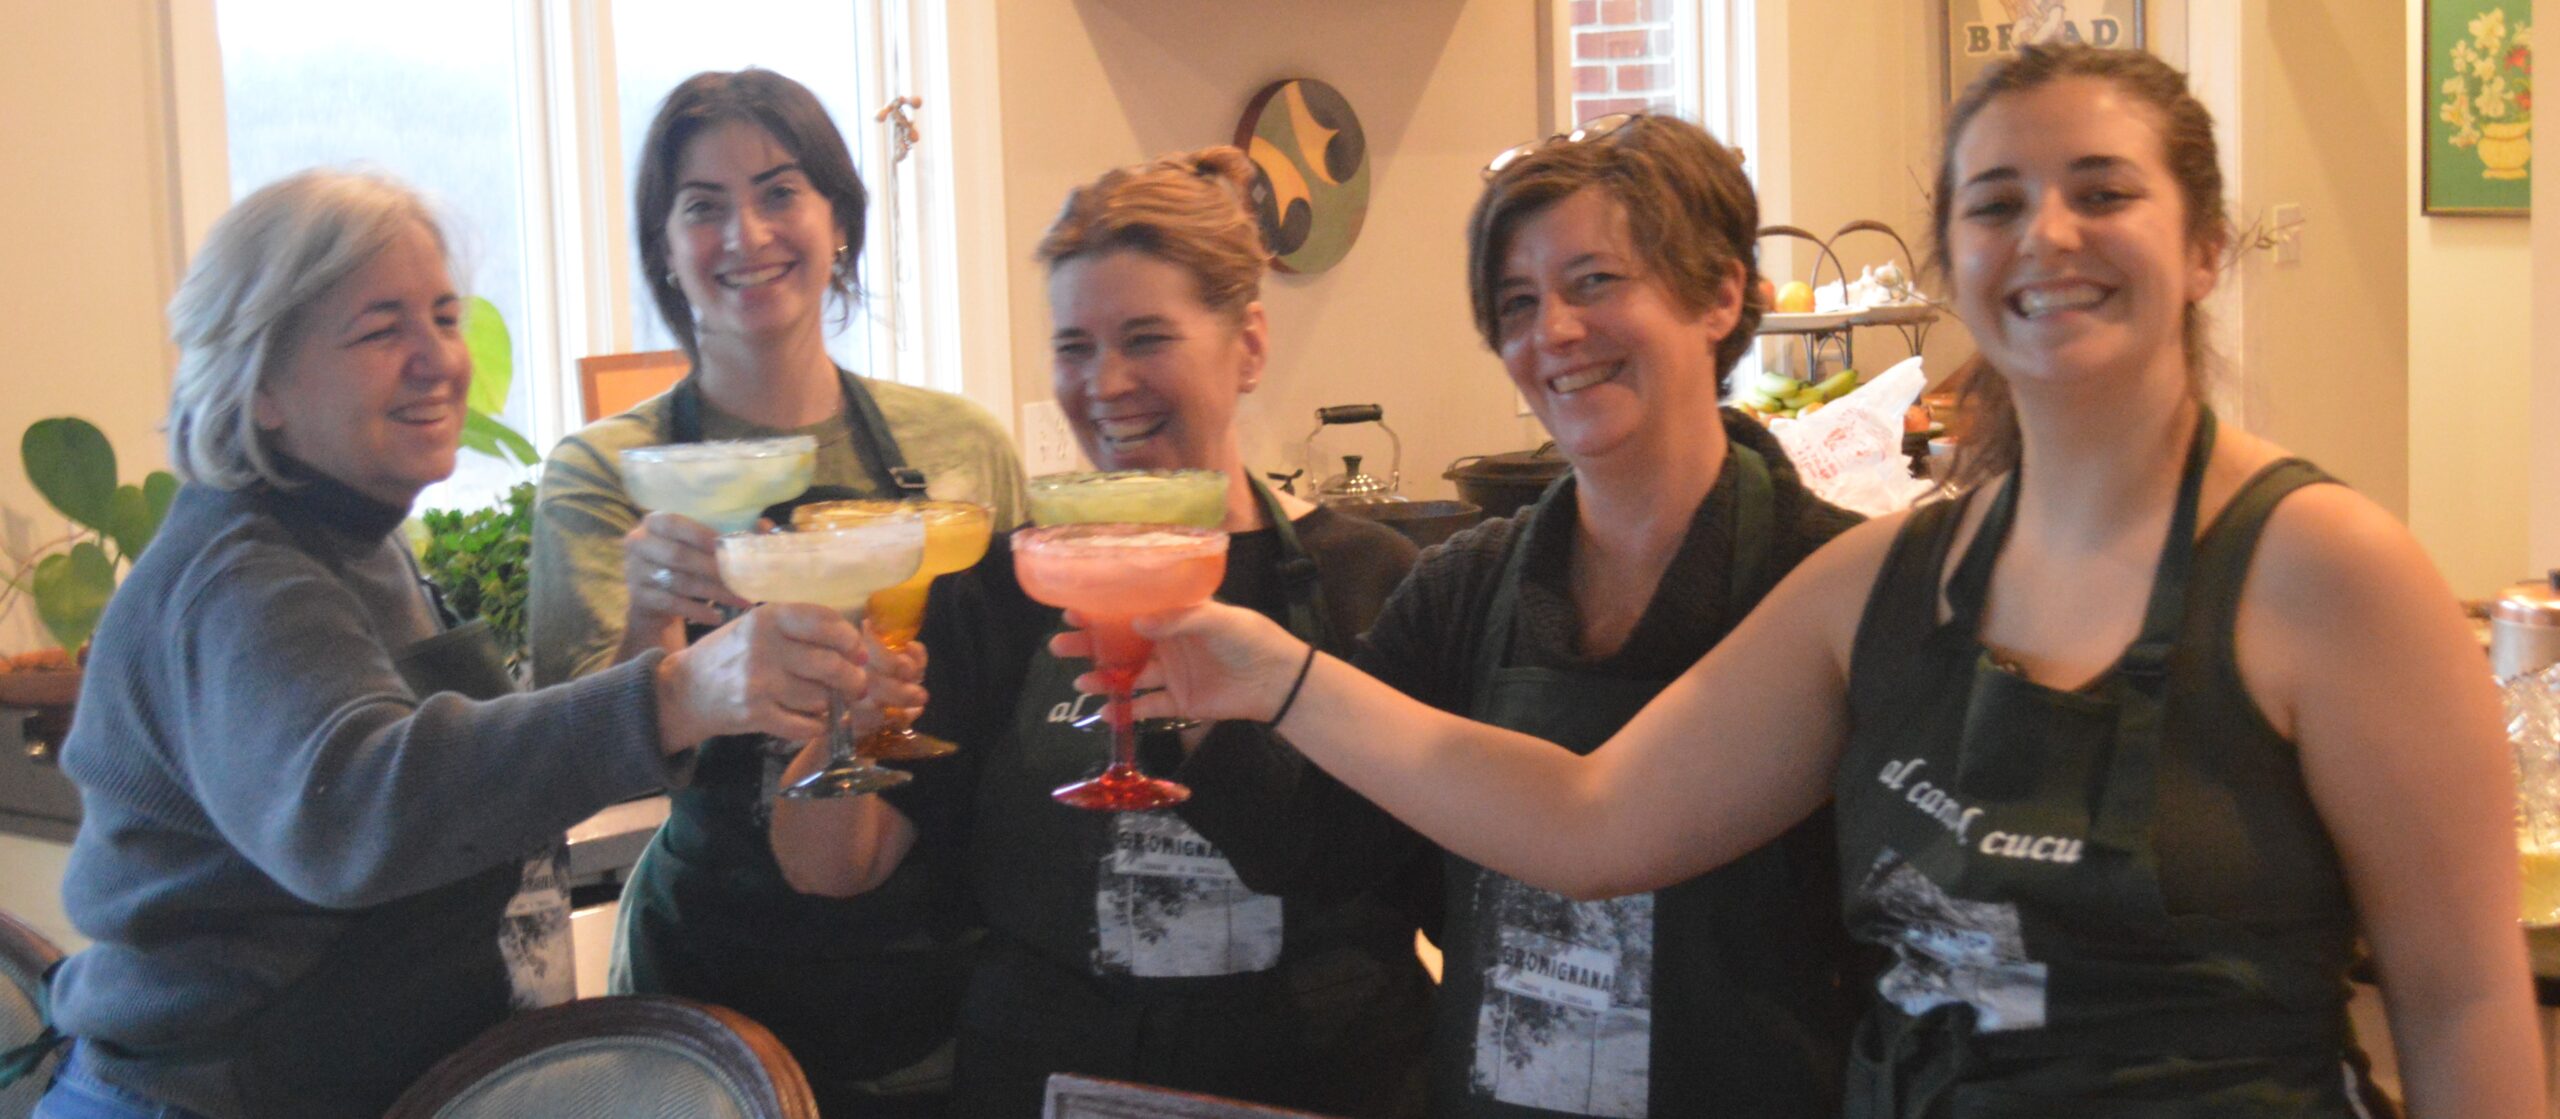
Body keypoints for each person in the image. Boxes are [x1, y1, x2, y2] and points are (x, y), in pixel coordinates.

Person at [1101, 44, 2544, 1116]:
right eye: (1994, 204)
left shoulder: (2327, 571)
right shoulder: (1889, 582)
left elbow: (2467, 998)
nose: (2043, 236)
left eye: (2101, 192)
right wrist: (1267, 676)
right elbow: (1593, 816)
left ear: (2206, 242)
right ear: (1954, 258)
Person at [30, 169, 866, 1119]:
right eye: (382, 330)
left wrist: (656, 649)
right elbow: (353, 805)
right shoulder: (240, 575)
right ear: (261, 385)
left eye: (442, 316)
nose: (440, 360)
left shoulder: (354, 534)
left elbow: (481, 782)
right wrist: (672, 692)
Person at [1176, 114, 1866, 1118]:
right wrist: (1202, 705)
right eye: (1516, 303)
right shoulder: (1465, 589)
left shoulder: (1830, 582)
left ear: (1721, 294)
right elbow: (1326, 849)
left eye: (1594, 282)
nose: (1553, 333)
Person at [769, 147, 1434, 1118]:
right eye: (1075, 347)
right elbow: (835, 866)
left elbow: (1428, 879)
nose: (1106, 382)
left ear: (1247, 344)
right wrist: (846, 719)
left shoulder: (1370, 580)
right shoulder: (998, 586)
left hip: (1319, 1081)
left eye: (1147, 338)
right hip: (1046, 1083)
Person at [527, 68, 1025, 1117]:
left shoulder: (959, 448)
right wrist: (649, 622)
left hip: (943, 979)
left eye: (779, 190)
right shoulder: (607, 471)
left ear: (838, 218)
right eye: (701, 207)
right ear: (664, 248)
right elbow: (578, 776)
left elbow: (1017, 719)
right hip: (707, 1001)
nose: (745, 234)